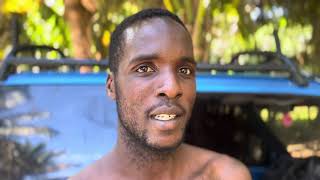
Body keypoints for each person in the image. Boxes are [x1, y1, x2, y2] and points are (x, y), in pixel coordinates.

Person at [71, 8, 251, 180]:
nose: (172, 87)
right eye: (145, 68)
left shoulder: (224, 175)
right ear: (112, 87)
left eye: (185, 70)